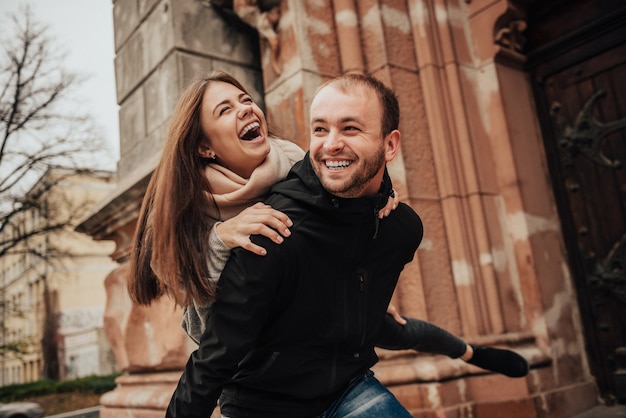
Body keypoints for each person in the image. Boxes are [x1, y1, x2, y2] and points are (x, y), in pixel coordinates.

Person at [128, 72, 528, 416]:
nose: (245, 109)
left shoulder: (290, 162)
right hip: (247, 364)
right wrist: (218, 239)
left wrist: (362, 266)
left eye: (245, 99)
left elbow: (347, 176)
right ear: (205, 147)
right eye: (225, 110)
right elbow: (168, 283)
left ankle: (471, 352)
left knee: (396, 327)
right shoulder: (190, 201)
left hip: (330, 355)